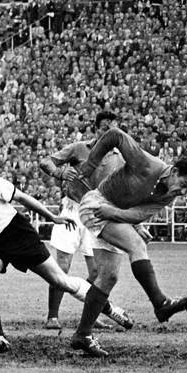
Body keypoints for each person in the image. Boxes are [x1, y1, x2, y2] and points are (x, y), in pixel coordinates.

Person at [0, 154, 96, 353]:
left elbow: (21, 197)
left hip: (17, 233)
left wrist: (52, 217)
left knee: (61, 282)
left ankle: (107, 307)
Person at [72, 127, 187, 357]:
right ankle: (160, 303)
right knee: (137, 245)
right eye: (183, 183)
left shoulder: (168, 195)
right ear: (173, 171)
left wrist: (112, 213)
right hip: (96, 203)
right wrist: (90, 165)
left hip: (110, 212)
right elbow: (114, 135)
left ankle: (82, 335)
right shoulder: (147, 164)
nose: (183, 191)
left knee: (108, 277)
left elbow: (137, 215)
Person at [39, 111, 132, 331]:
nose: (108, 133)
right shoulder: (80, 148)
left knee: (98, 273)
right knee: (62, 266)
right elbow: (46, 161)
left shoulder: (121, 156)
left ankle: (91, 317)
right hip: (72, 211)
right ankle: (52, 316)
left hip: (97, 215)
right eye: (104, 128)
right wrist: (60, 172)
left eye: (113, 130)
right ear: (96, 128)